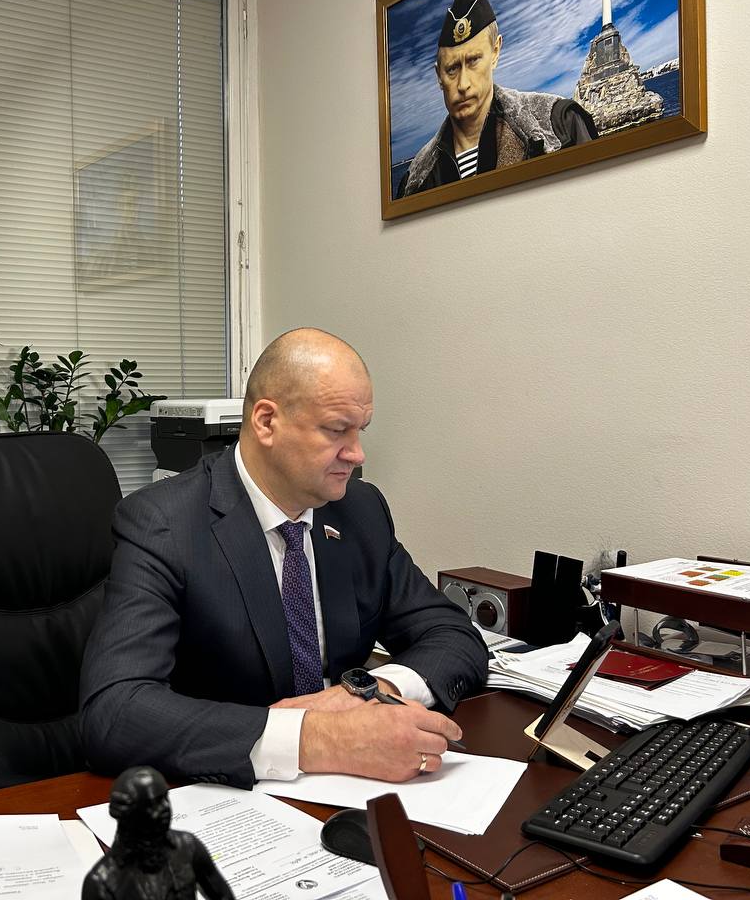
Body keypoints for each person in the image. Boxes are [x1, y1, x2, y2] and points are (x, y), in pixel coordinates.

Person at [80, 328, 488, 789]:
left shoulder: (360, 511)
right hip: (228, 791)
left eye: (360, 430)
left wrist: (371, 692)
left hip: (359, 787)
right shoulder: (163, 523)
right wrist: (320, 737)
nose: (357, 454)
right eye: (336, 429)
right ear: (266, 422)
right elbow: (114, 712)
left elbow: (453, 636)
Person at [396, 0, 598, 199]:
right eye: (452, 68)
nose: (463, 84)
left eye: (473, 60)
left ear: (495, 52)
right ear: (439, 76)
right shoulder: (416, 179)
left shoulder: (559, 124)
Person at [82, 766, 233, 900]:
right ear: (128, 815)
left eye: (165, 798)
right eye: (153, 804)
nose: (165, 807)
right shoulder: (102, 883)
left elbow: (223, 895)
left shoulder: (188, 846)